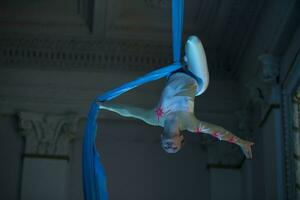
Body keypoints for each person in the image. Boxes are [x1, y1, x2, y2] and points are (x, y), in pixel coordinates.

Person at [97, 36, 254, 159]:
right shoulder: (191, 124)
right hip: (197, 80)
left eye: (166, 147)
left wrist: (105, 105)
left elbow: (129, 112)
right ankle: (187, 61)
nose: (169, 147)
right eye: (174, 148)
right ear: (182, 140)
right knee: (193, 40)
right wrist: (241, 142)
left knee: (188, 45)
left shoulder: (154, 119)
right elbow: (218, 132)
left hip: (174, 73)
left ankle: (185, 61)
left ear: (161, 139)